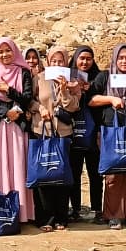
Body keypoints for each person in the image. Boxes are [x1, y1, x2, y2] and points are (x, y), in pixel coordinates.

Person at [89, 43, 126, 231]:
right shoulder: (105, 77)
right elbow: (91, 100)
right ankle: (113, 215)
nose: (124, 61)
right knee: (113, 174)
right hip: (110, 131)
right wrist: (111, 99)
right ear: (115, 59)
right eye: (120, 57)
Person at [0, 37, 36, 223]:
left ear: (15, 51)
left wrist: (10, 92)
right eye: (0, 52)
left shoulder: (23, 73)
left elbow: (27, 97)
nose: (4, 55)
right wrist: (6, 113)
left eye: (8, 50)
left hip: (18, 128)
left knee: (18, 165)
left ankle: (21, 213)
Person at [28, 46, 81, 231]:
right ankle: (45, 218)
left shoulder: (73, 81)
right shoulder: (39, 78)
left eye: (61, 61)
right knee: (43, 175)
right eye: (54, 61)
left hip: (63, 132)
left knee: (62, 175)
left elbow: (73, 106)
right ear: (49, 62)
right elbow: (31, 100)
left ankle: (61, 217)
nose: (57, 64)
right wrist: (39, 108)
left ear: (66, 63)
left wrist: (65, 90)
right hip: (41, 130)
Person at [68, 45, 102, 223]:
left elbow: (102, 102)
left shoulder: (99, 77)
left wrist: (89, 90)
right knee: (74, 173)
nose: (85, 62)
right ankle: (75, 209)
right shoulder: (67, 77)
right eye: (81, 58)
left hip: (93, 132)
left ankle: (97, 209)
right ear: (75, 60)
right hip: (73, 132)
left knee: (95, 173)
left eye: (89, 58)